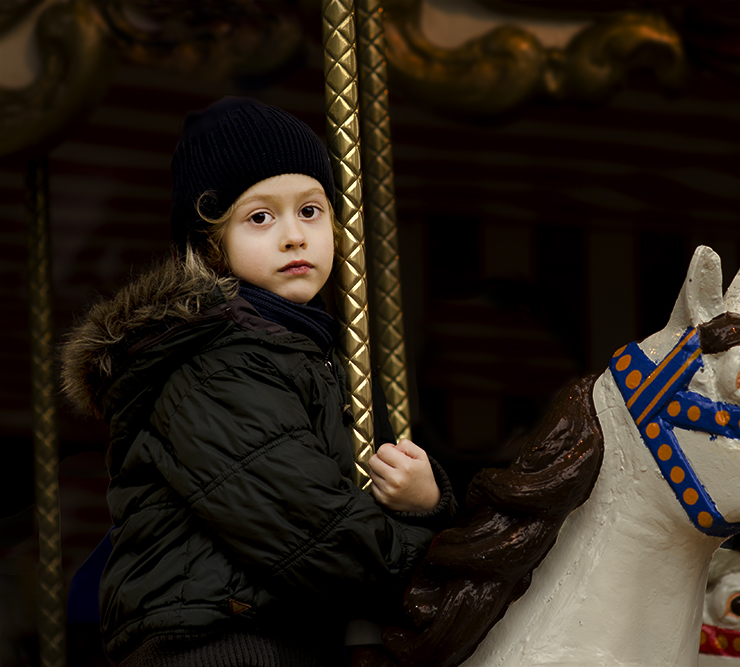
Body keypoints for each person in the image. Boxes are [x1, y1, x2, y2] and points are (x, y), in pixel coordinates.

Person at [61, 97, 455, 667]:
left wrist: (421, 495)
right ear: (210, 244)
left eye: (312, 211)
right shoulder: (212, 363)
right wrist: (429, 530)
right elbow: (319, 536)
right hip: (214, 641)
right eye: (260, 217)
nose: (294, 236)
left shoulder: (292, 351)